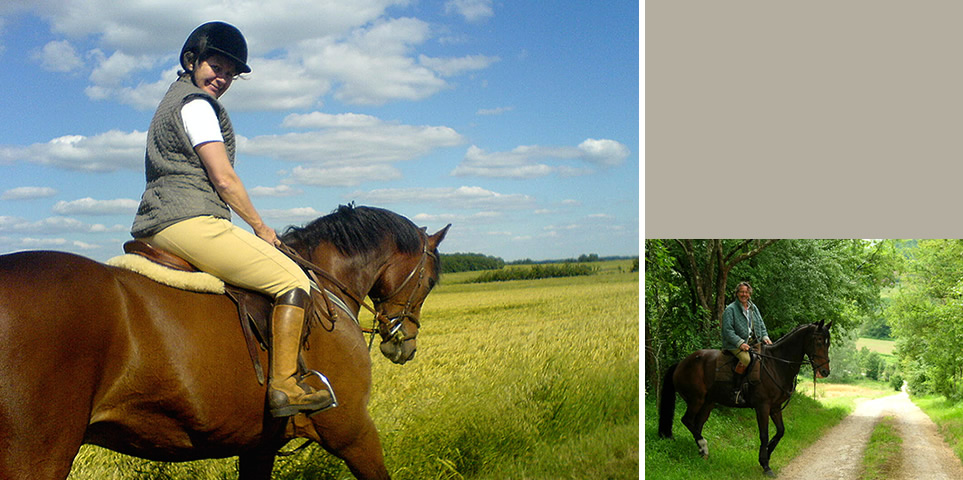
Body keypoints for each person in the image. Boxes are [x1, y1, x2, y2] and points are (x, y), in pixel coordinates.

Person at [130, 21, 333, 418]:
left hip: (159, 222)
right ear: (192, 60)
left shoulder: (171, 101)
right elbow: (223, 178)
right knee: (293, 279)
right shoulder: (197, 106)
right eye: (215, 66)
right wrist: (261, 228)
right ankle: (285, 386)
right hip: (190, 220)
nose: (221, 78)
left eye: (230, 73)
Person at [721, 281, 772, 405]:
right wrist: (740, 343)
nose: (744, 294)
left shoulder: (753, 308)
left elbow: (761, 324)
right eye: (741, 292)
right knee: (746, 359)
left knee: (768, 356)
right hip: (734, 344)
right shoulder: (730, 309)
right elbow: (727, 331)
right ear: (737, 293)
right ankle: (736, 391)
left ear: (749, 294)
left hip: (754, 342)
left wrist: (765, 337)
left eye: (746, 292)